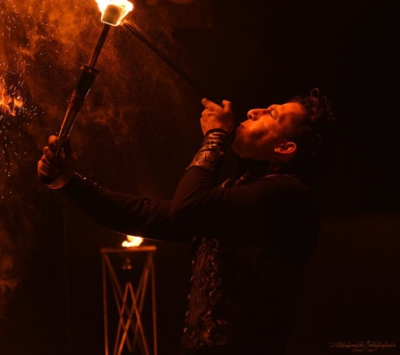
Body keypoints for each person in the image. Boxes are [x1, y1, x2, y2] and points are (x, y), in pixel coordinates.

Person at [37, 88, 336, 355]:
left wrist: (215, 137)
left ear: (285, 148)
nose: (252, 111)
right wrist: (67, 182)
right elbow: (143, 215)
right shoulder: (243, 193)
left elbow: (187, 209)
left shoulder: (288, 195)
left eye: (272, 114)